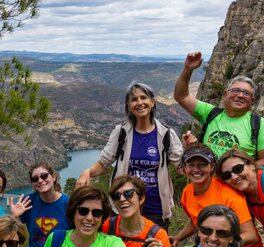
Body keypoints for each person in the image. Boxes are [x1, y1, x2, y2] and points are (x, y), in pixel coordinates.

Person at [75, 82, 183, 228]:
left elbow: (182, 168)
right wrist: (87, 172)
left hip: (156, 210)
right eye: (134, 99)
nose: (139, 103)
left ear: (152, 102)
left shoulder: (166, 135)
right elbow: (103, 164)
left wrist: (190, 150)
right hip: (123, 207)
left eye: (143, 98)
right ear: (129, 106)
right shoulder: (121, 133)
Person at [173, 52, 264, 167]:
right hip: (207, 181)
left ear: (252, 101)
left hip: (236, 182)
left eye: (246, 93)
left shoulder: (258, 124)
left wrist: (237, 173)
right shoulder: (210, 113)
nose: (241, 95)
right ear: (225, 94)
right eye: (236, 90)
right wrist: (188, 69)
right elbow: (181, 96)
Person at [171, 144, 264, 247]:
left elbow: (251, 235)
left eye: (202, 164)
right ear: (184, 169)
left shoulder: (229, 196)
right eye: (191, 165)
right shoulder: (187, 192)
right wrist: (178, 238)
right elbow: (196, 221)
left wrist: (222, 244)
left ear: (212, 167)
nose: (196, 169)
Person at [9, 161, 69, 247]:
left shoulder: (68, 204)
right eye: (35, 179)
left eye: (44, 176)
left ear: (54, 177)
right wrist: (14, 216)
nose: (40, 180)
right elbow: (8, 231)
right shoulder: (28, 202)